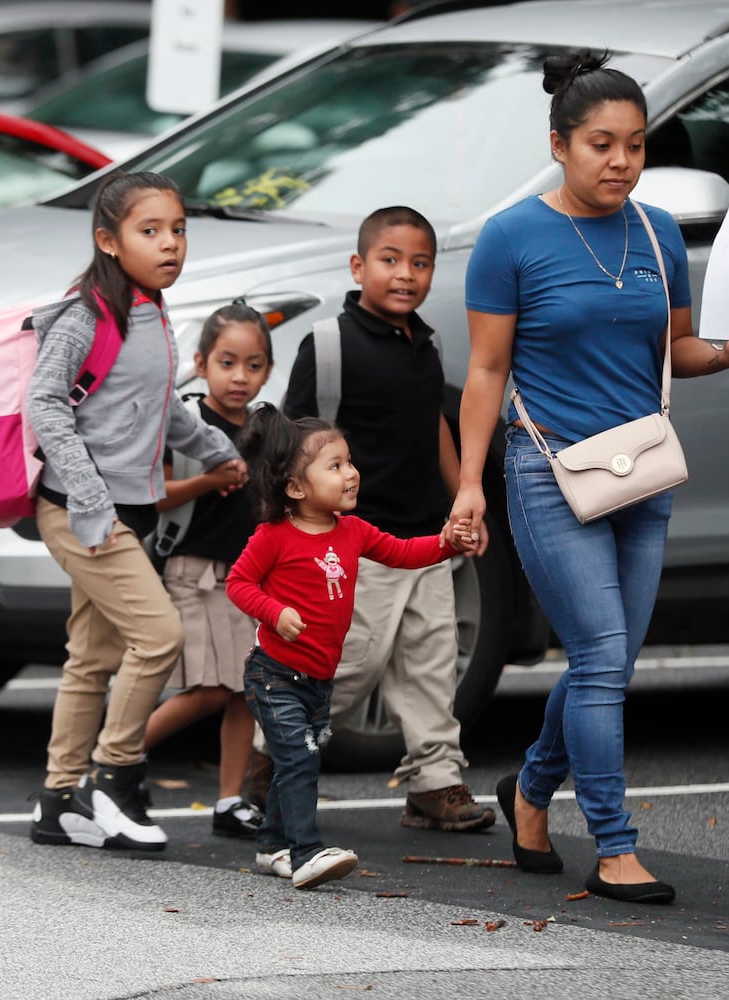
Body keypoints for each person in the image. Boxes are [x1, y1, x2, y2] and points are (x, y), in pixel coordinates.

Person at [448, 52, 729, 903]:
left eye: (634, 144)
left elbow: (680, 350)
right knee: (598, 654)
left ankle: (527, 789)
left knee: (610, 663)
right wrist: (470, 484)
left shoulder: (658, 230)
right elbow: (485, 372)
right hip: (548, 468)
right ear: (559, 144)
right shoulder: (512, 235)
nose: (620, 161)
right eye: (600, 144)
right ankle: (614, 842)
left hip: (644, 470)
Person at [26, 172, 246, 853]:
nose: (169, 243)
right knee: (158, 636)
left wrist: (216, 450)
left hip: (124, 512)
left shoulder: (152, 314)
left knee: (90, 660)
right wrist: (92, 499)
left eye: (177, 229)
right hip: (79, 513)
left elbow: (156, 409)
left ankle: (58, 800)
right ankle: (112, 776)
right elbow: (44, 405)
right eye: (149, 231)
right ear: (108, 241)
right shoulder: (85, 316)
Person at [267, 205, 494, 833]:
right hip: (356, 544)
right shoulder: (330, 346)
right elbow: (293, 444)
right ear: (358, 266)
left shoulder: (428, 343)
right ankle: (272, 758)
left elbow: (435, 430)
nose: (406, 275)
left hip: (426, 538)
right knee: (349, 665)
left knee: (431, 661)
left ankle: (434, 781)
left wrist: (463, 500)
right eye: (391, 261)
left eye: (420, 263)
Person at [225, 405, 476, 890]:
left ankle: (271, 845)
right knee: (300, 759)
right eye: (335, 466)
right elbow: (238, 583)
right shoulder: (273, 538)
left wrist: (445, 543)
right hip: (274, 675)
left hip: (318, 681)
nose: (352, 473)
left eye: (349, 461)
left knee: (293, 760)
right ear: (296, 489)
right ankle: (305, 852)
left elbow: (403, 553)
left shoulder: (353, 532)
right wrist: (275, 612)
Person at [142, 302, 274, 839]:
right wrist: (207, 480)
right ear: (200, 362)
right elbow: (156, 495)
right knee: (206, 690)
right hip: (191, 572)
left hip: (244, 578)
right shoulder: (187, 421)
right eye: (226, 362)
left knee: (244, 689)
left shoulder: (269, 428)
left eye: (253, 364)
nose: (239, 377)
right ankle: (112, 760)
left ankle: (229, 801)